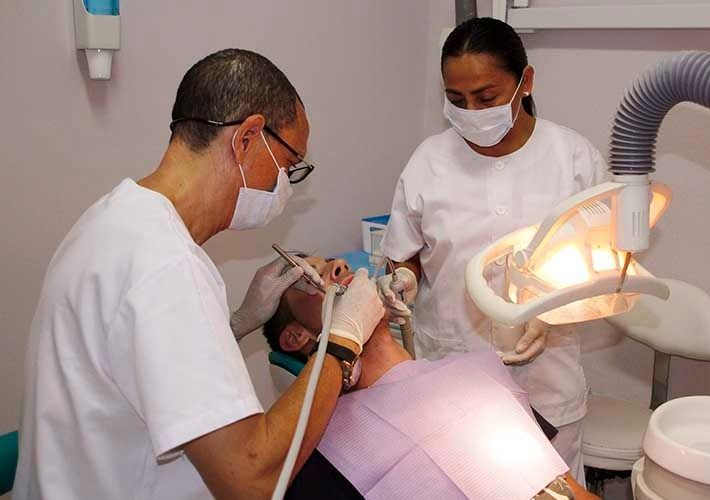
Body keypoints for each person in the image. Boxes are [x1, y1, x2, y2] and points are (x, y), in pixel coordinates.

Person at [14, 49, 384, 500]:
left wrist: (238, 323)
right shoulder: (167, 266)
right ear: (248, 138)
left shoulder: (112, 219)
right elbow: (252, 481)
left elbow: (138, 366)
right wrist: (342, 341)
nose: (285, 185)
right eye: (289, 166)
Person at [377, 18, 608, 483]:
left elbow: (603, 267)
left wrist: (554, 313)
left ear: (526, 81)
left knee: (551, 488)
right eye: (457, 100)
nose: (471, 112)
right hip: (450, 372)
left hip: (548, 382)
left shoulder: (575, 160)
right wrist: (400, 279)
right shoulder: (429, 161)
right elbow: (405, 254)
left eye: (486, 97)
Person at [262, 261, 599, 500]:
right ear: (294, 337)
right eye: (308, 277)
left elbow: (566, 489)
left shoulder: (477, 374)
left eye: (331, 262)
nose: (337, 266)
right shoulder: (322, 452)